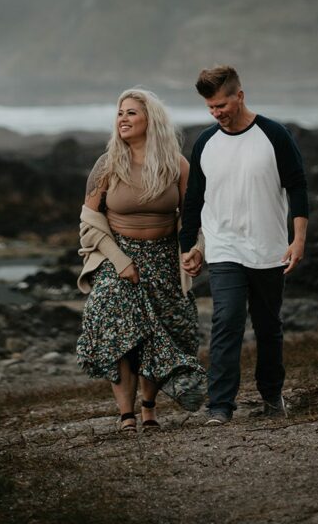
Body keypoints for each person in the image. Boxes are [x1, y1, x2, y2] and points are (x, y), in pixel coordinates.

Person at [179, 66, 309, 425]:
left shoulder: (274, 135)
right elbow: (194, 199)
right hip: (224, 249)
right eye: (210, 107)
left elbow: (297, 186)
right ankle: (220, 406)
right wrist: (189, 246)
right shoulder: (205, 142)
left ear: (240, 96)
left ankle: (271, 396)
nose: (216, 112)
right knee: (227, 320)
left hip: (269, 248)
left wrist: (297, 240)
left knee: (268, 326)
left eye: (221, 104)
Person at [76, 87, 206, 433]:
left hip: (165, 259)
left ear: (152, 120)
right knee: (114, 321)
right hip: (118, 258)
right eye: (120, 113)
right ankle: (126, 415)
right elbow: (89, 220)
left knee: (166, 331)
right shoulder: (107, 165)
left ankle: (148, 408)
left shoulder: (176, 165)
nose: (123, 118)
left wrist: (194, 250)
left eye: (131, 112)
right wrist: (120, 261)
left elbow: (193, 217)